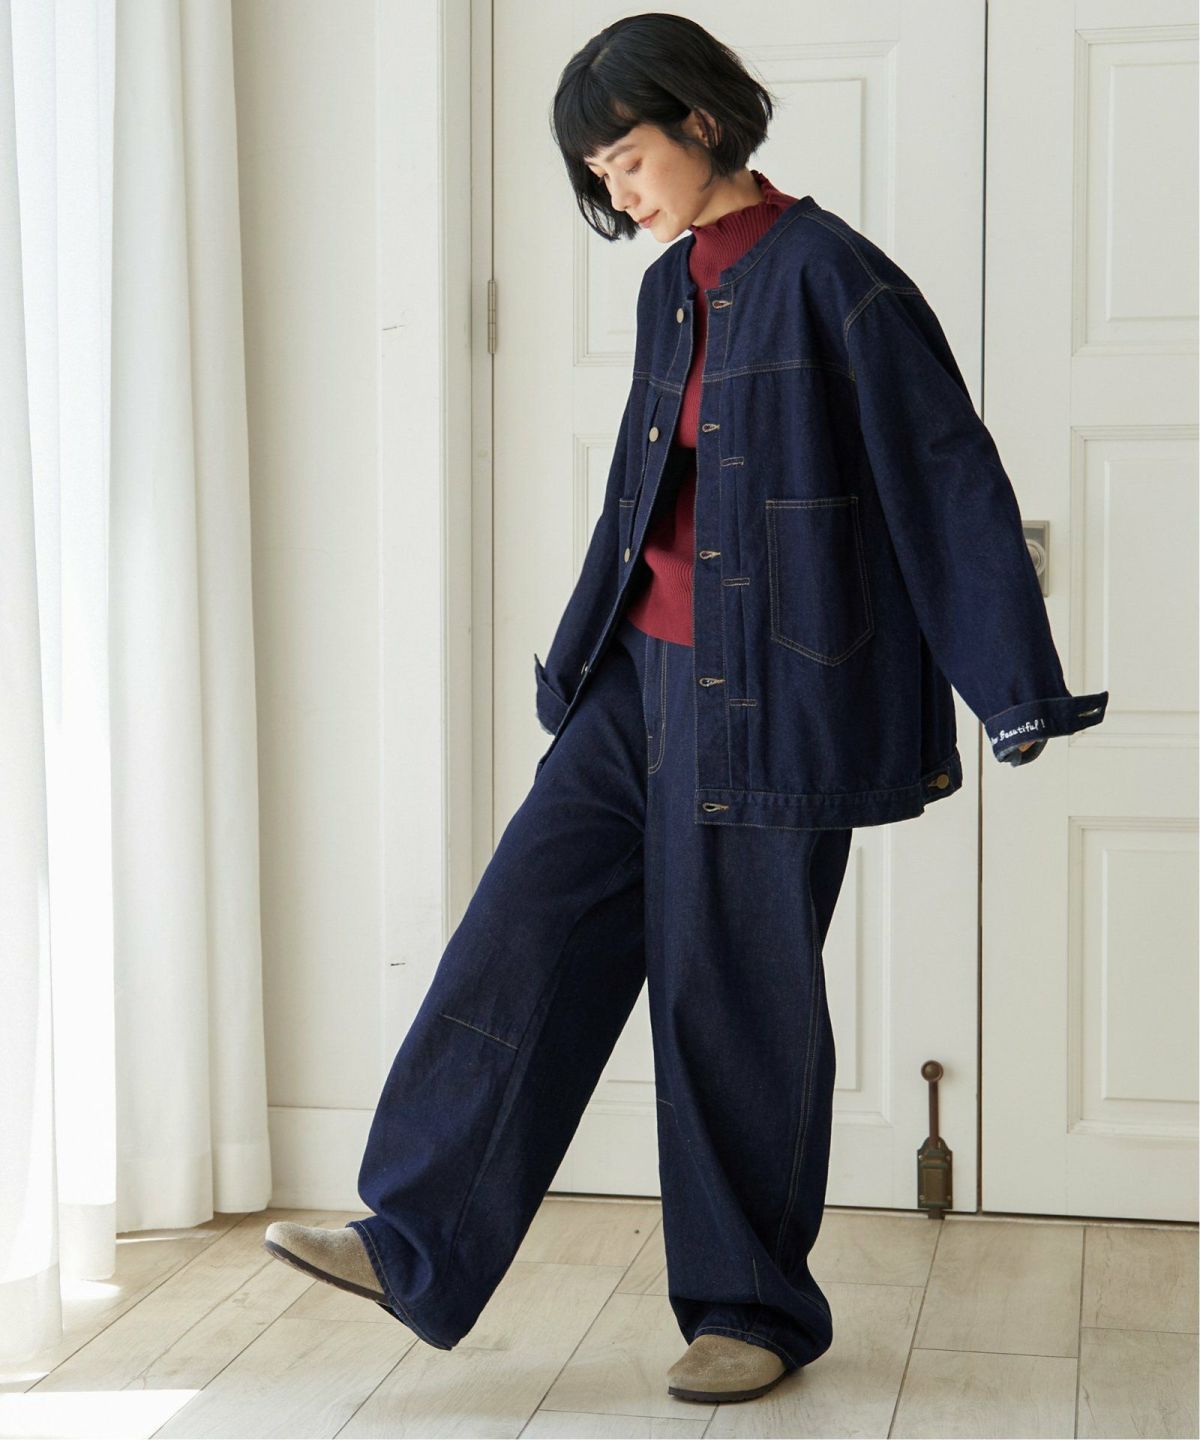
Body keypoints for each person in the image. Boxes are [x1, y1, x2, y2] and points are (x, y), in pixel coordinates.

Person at [263, 11, 1105, 1407]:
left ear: (703, 122)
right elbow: (638, 498)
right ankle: (412, 1242)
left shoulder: (840, 279)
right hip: (636, 684)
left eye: (629, 158)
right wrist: (575, 656)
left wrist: (1012, 687)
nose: (618, 191)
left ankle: (748, 1311)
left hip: (773, 695)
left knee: (733, 1000)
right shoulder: (673, 286)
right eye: (597, 174)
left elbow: (947, 475)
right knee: (523, 936)